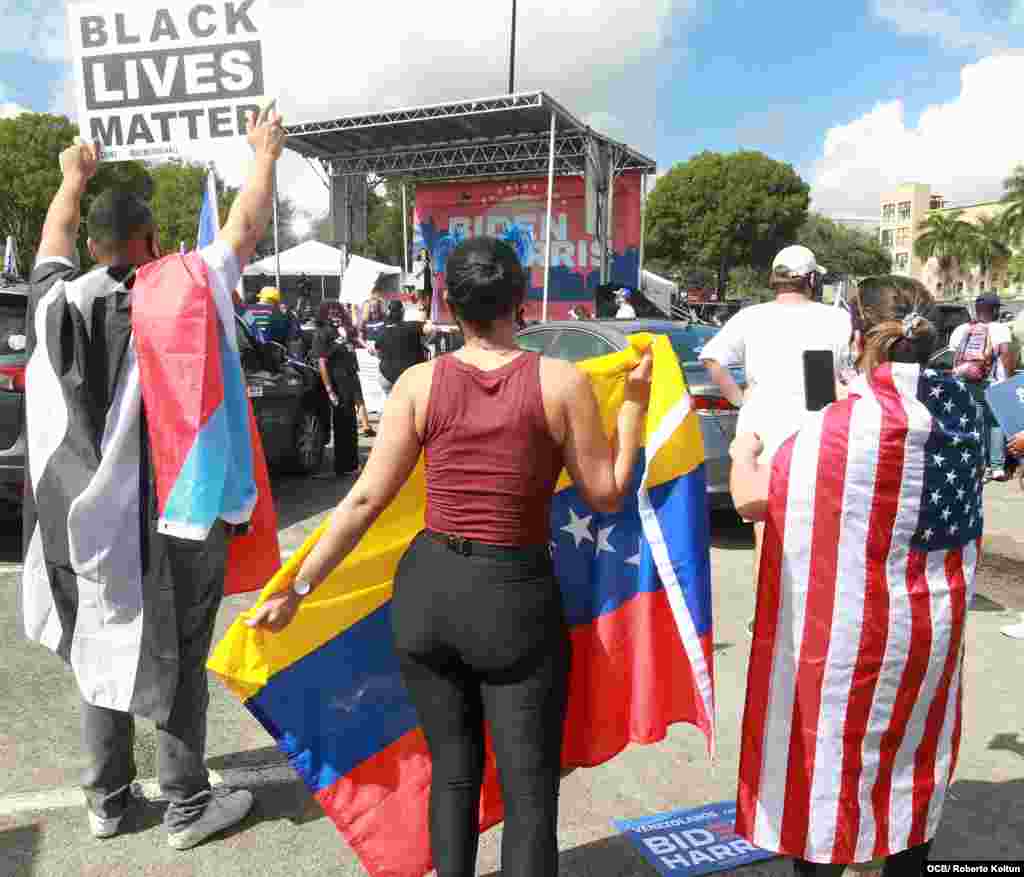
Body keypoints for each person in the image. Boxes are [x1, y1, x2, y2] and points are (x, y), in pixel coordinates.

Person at [246, 235, 652, 877]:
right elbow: (605, 495)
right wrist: (632, 408)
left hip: (429, 594)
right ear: (520, 300)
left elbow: (360, 503)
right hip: (514, 596)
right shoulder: (560, 381)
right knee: (527, 791)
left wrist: (298, 588)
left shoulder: (417, 385)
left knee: (454, 775)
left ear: (448, 303)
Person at [24, 108, 287, 849]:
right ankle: (185, 803)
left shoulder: (54, 302)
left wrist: (72, 178)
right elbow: (245, 225)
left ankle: (107, 800)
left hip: (81, 519)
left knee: (94, 643)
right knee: (178, 655)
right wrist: (264, 154)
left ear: (93, 242)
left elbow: (52, 240)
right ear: (148, 241)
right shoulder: (186, 282)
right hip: (174, 515)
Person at [730, 276, 982, 876]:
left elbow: (752, 500)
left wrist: (743, 451)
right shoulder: (964, 413)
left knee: (835, 772)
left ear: (856, 335)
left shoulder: (838, 428)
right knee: (913, 757)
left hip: (854, 638)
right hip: (932, 628)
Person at [700, 244, 851, 632]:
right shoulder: (835, 319)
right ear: (812, 279)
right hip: (819, 433)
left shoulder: (751, 317)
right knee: (820, 527)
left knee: (767, 530)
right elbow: (834, 379)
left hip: (763, 435)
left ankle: (767, 616)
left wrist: (740, 397)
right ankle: (813, 615)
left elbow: (712, 358)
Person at [950, 293, 1015, 481]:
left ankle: (981, 466)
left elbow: (954, 358)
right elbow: (1006, 355)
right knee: (995, 423)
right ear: (994, 309)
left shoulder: (962, 329)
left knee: (976, 424)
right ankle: (997, 467)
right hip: (995, 383)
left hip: (969, 383)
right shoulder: (1000, 329)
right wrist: (1009, 382)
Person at [311, 301, 363, 478]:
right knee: (341, 425)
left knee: (350, 424)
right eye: (331, 313)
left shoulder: (343, 332)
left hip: (348, 382)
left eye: (338, 312)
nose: (336, 315)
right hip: (335, 384)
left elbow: (351, 356)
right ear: (324, 315)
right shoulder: (321, 333)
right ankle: (342, 466)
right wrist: (329, 390)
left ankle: (352, 465)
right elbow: (322, 363)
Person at [376, 299, 434, 395]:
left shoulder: (382, 330)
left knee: (392, 405)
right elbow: (430, 329)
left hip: (387, 377)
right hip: (410, 377)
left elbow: (378, 353)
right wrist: (425, 341)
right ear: (402, 312)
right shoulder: (411, 326)